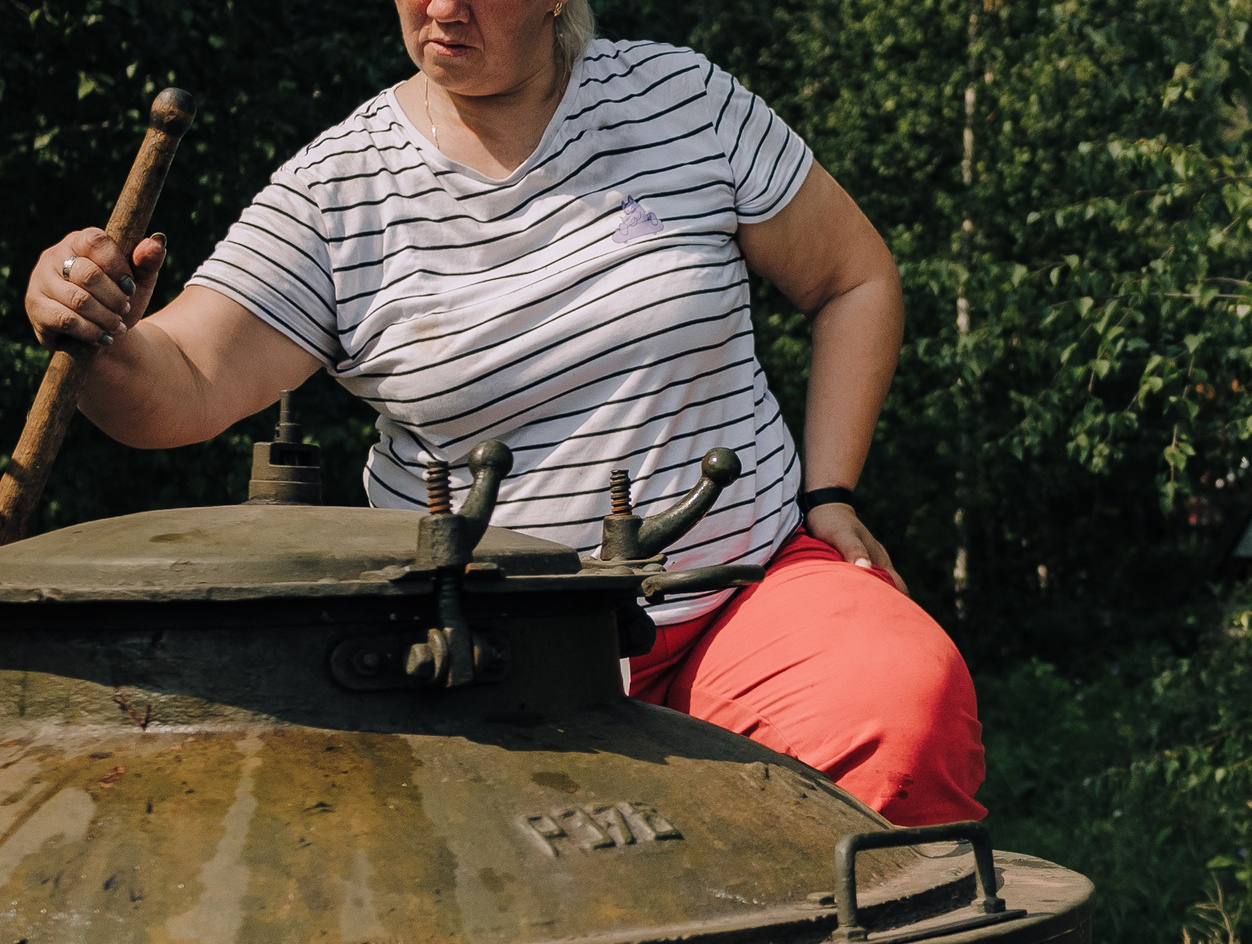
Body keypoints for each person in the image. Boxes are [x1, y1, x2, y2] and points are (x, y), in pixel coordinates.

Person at [19, 0, 984, 828]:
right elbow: (182, 380)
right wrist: (96, 330)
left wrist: (828, 490)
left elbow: (853, 277)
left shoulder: (680, 99)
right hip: (484, 662)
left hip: (742, 591)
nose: (442, 7)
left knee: (900, 713)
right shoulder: (338, 188)